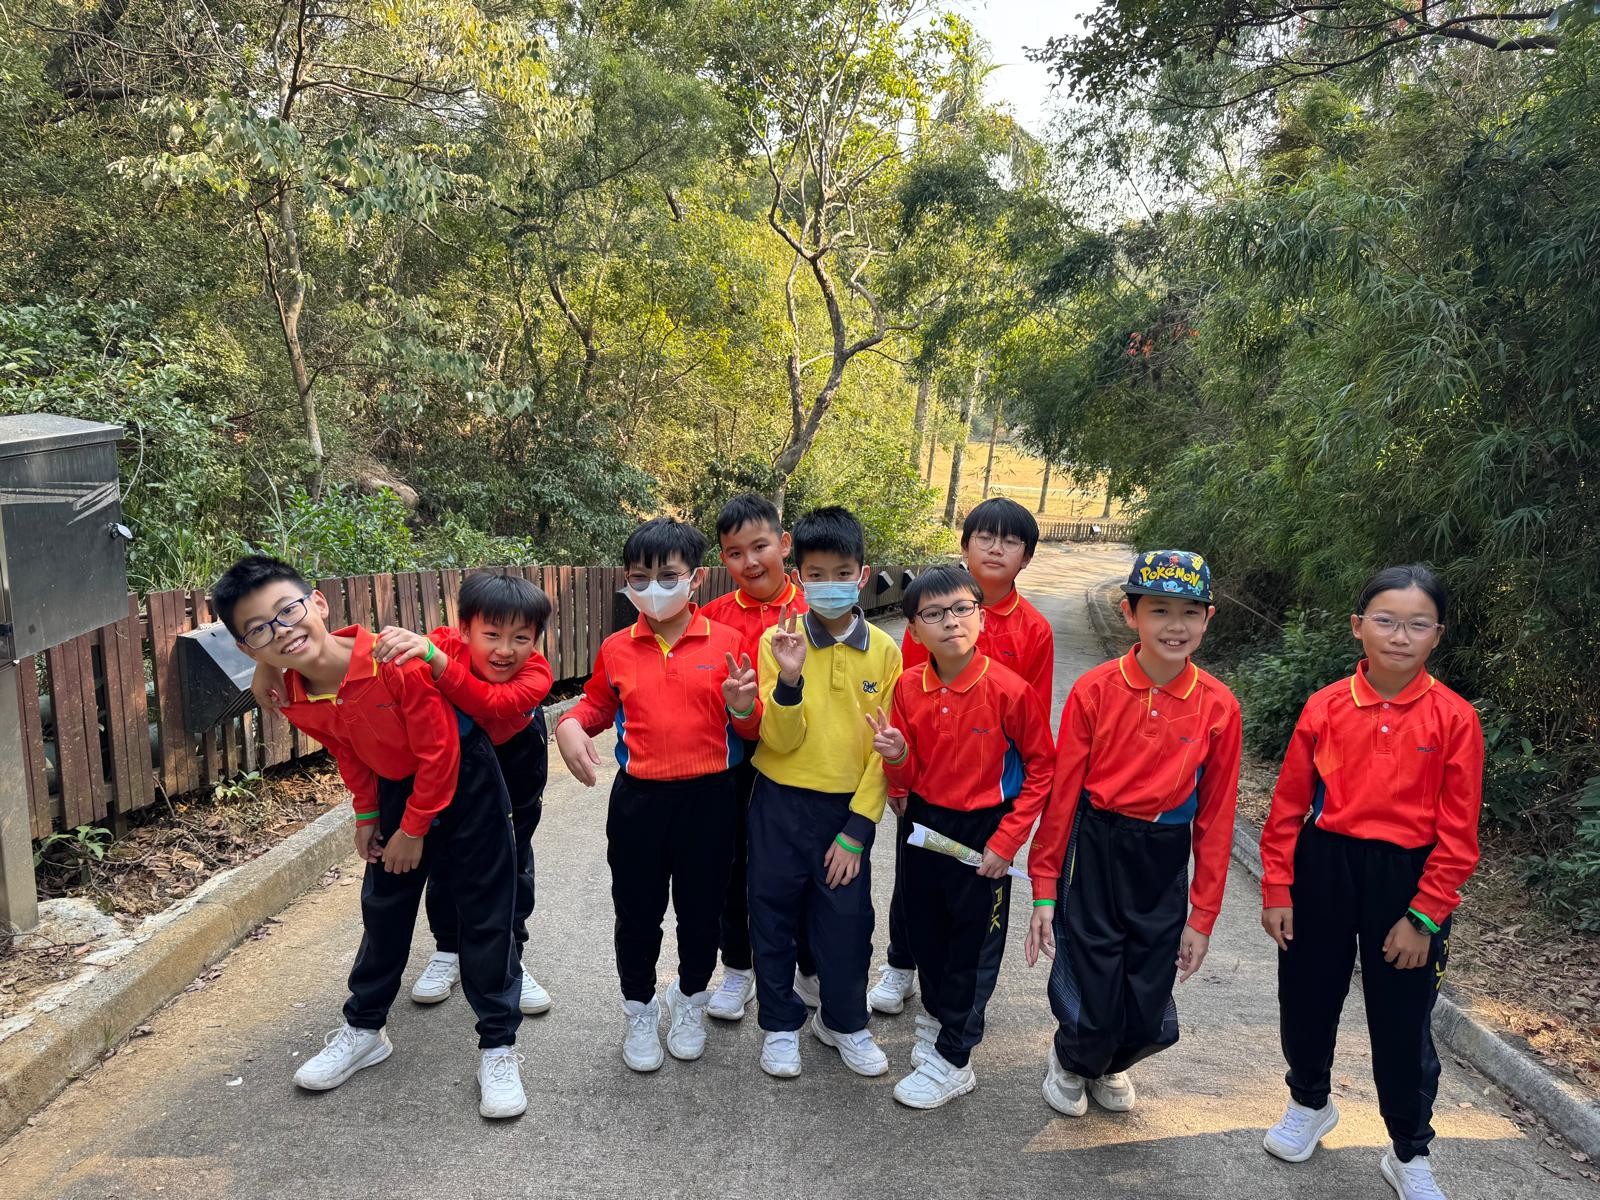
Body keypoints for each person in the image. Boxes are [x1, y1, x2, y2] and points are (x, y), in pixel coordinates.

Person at [213, 555, 525, 1119]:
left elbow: (440, 752)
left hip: (466, 782)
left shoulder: (392, 660)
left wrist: (413, 829)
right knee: (383, 910)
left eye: (288, 611)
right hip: (396, 792)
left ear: (318, 603)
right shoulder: (294, 694)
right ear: (246, 647)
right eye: (259, 629)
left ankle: (498, 1046)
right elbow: (347, 749)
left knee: (486, 913)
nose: (281, 631)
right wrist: (367, 815)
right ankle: (364, 1030)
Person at [1258, 564, 1483, 1200]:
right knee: (1307, 996)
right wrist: (1277, 888)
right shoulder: (1326, 705)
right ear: (1359, 626)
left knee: (1402, 1020)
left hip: (1407, 879)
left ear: (1438, 634)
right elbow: (1288, 806)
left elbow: (1459, 834)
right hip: (1325, 866)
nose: (1400, 636)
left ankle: (1409, 1148)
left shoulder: (1455, 719)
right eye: (1385, 621)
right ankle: (1309, 1102)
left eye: (1418, 624)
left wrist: (1424, 916)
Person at [1024, 550, 1241, 1119]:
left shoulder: (1219, 706)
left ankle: (1111, 1061)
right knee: (1093, 977)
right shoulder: (1096, 689)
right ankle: (1073, 1058)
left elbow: (1217, 816)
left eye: (1189, 612)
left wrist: (1202, 915)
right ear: (1130, 614)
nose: (1175, 625)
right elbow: (1062, 796)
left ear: (1208, 619)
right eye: (1159, 610)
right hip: (1098, 843)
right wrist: (1044, 887)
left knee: (1148, 997)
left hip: (1164, 855)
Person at [554, 517, 762, 1072]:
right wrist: (569, 724)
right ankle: (640, 1009)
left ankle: (690, 1000)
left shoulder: (729, 642)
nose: (654, 588)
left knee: (702, 911)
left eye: (668, 576)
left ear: (696, 578)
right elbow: (596, 705)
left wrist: (743, 706)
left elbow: (752, 725)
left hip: (711, 800)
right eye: (640, 577)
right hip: (639, 803)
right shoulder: (617, 647)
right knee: (637, 912)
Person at [869, 565, 1054, 1108]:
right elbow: (905, 776)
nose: (950, 621)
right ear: (913, 629)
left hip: (985, 831)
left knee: (974, 946)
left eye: (962, 609)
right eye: (933, 614)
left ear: (981, 617)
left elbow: (1043, 768)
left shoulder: (1010, 690)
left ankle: (955, 1057)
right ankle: (937, 1015)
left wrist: (1008, 840)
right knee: (925, 930)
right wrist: (897, 758)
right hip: (925, 825)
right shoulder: (907, 687)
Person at [747, 506, 901, 1080]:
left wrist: (859, 829)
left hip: (844, 812)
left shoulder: (885, 651)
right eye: (816, 574)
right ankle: (780, 1024)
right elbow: (778, 739)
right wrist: (789, 679)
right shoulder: (777, 640)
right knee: (772, 917)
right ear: (799, 576)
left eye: (842, 573)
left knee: (847, 925)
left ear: (863, 575)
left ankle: (844, 1021)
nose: (829, 584)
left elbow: (885, 750)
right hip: (779, 804)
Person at [374, 572, 554, 1016]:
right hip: (453, 762)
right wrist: (270, 665)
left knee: (511, 858)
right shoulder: (440, 644)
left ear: (535, 640)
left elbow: (489, 703)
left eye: (520, 638)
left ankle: (509, 957)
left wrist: (435, 661)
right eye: (491, 635)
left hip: (515, 759)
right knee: (445, 854)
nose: (504, 650)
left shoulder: (537, 673)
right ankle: (449, 949)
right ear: (465, 628)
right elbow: (359, 657)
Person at [699, 494, 820, 1022]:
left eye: (760, 547)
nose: (749, 562)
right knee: (733, 861)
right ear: (722, 559)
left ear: (784, 544)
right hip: (733, 757)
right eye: (734, 553)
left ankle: (810, 963)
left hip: (803, 757)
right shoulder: (711, 618)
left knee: (803, 862)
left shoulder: (818, 609)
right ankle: (737, 966)